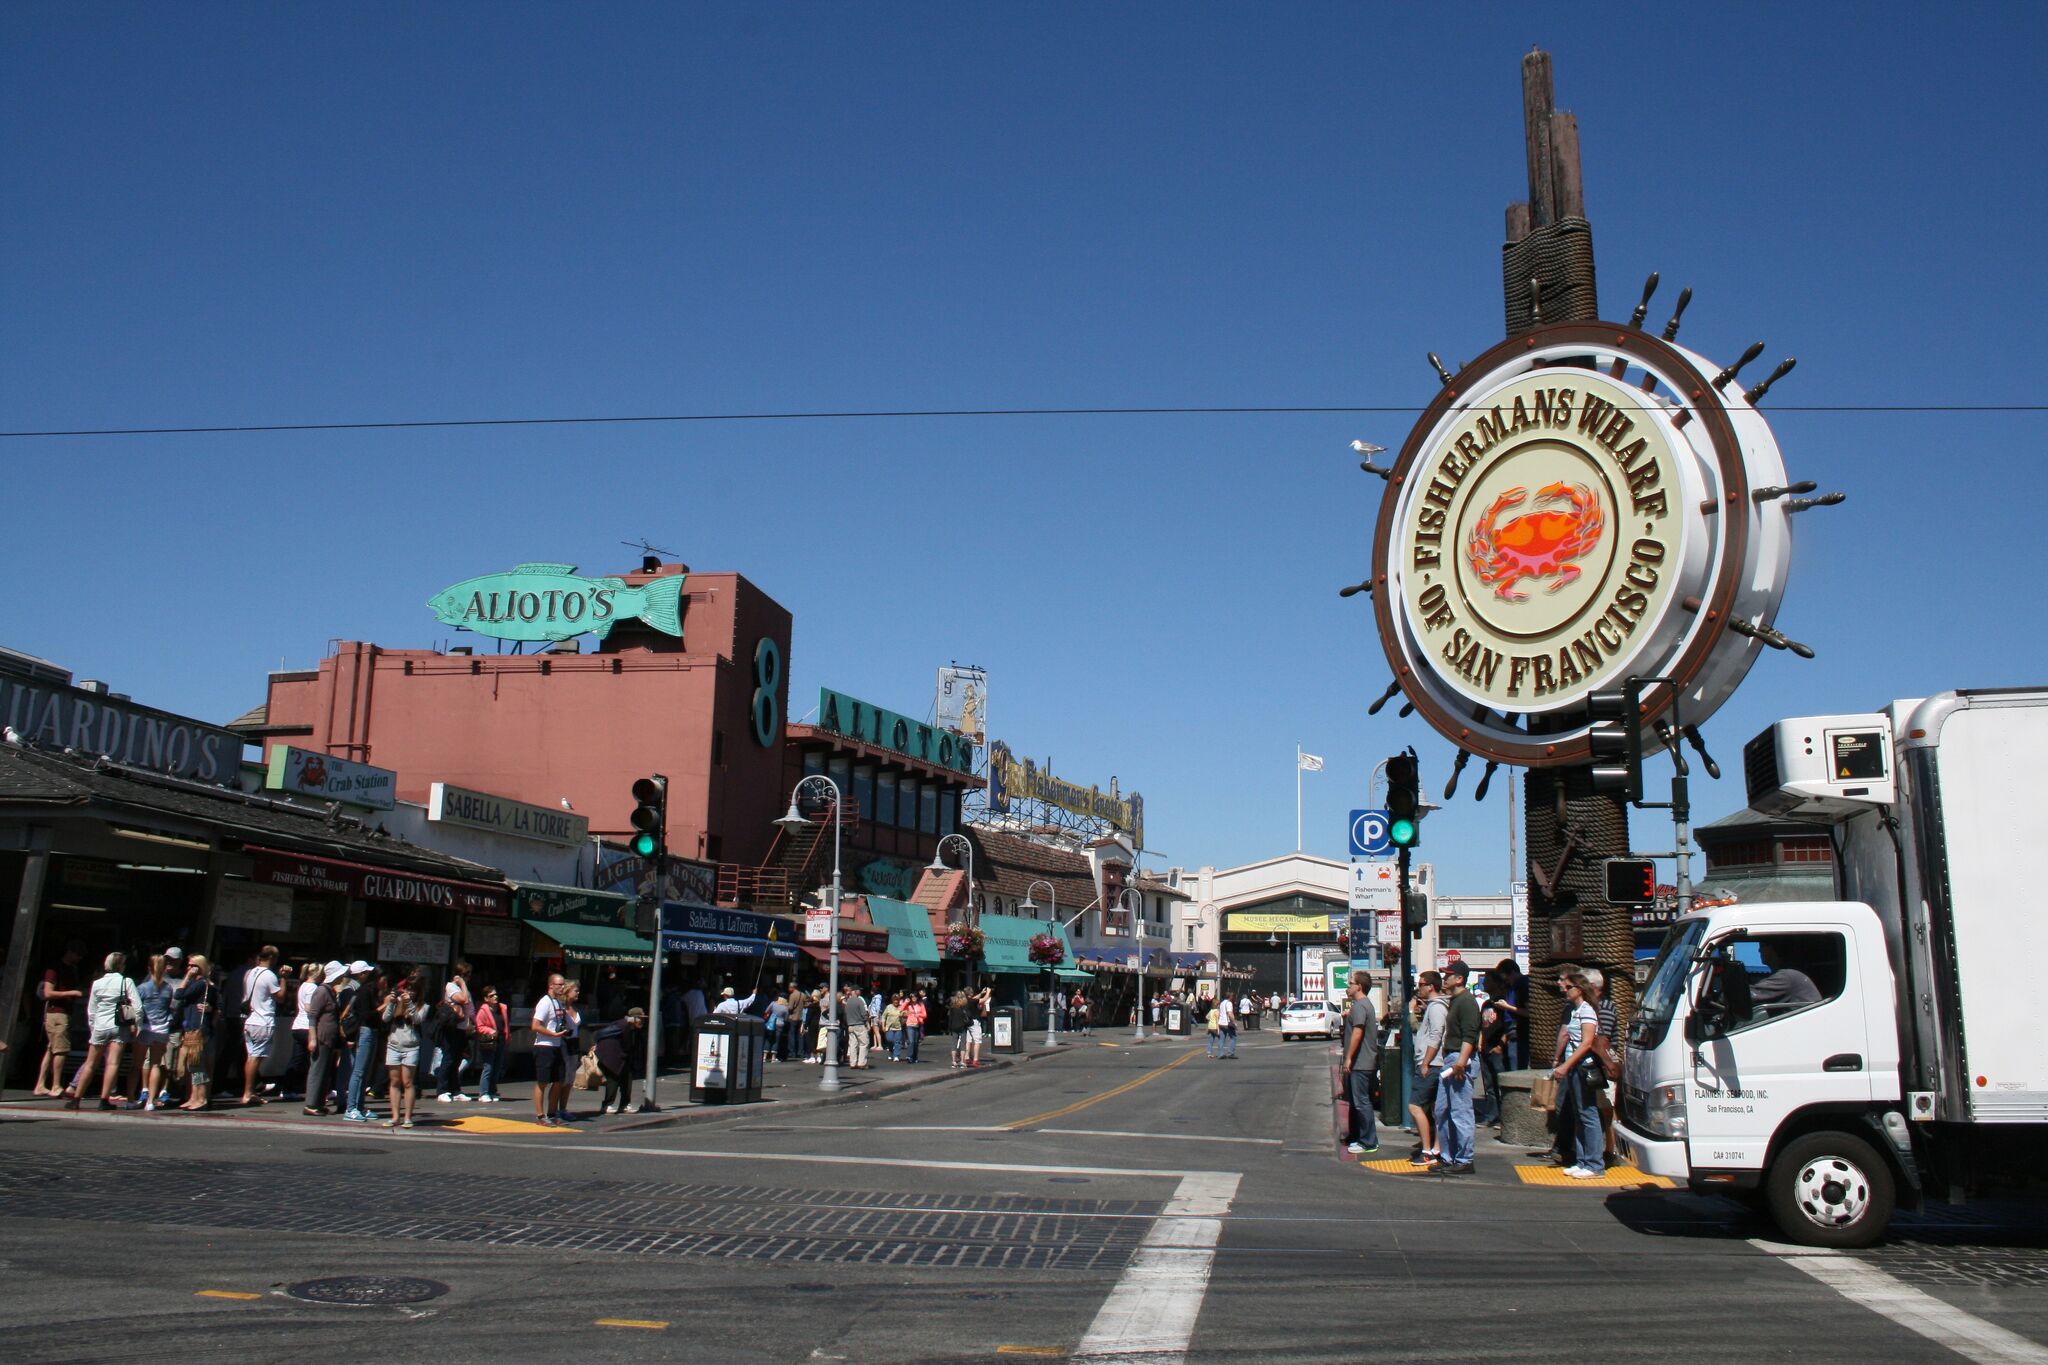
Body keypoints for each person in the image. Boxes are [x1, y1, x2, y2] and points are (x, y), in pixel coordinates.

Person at [62, 952, 141, 1111]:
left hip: (100, 1026)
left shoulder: (97, 983)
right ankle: (104, 1099)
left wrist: (93, 1028)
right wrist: (137, 1025)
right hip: (118, 1025)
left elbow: (91, 1010)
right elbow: (137, 1006)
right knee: (112, 1063)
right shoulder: (126, 981)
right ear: (121, 965)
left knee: (91, 1063)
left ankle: (77, 1098)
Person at [1552, 973, 1605, 1178]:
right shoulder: (1575, 1011)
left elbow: (1587, 1043)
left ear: (1579, 989)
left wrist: (1566, 1065)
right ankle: (1583, 1160)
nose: (1565, 990)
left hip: (1582, 1066)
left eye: (1569, 987)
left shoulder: (1587, 1011)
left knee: (1588, 1113)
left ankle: (1594, 1164)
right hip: (1574, 1067)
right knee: (1579, 1114)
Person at [1432, 961, 1483, 1175]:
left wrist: (1461, 1061)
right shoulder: (1455, 1001)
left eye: (1448, 975)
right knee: (1441, 1110)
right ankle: (1448, 1156)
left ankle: (1464, 1159)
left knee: (1460, 1111)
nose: (1444, 979)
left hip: (1460, 1059)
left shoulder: (1467, 1002)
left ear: (1459, 979)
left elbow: (1470, 1034)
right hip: (1451, 1059)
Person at [32, 941, 85, 1097]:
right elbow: (48, 993)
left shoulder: (71, 969)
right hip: (57, 1013)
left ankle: (40, 1084)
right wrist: (71, 993)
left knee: (51, 1049)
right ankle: (55, 1085)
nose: (79, 958)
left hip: (62, 1012)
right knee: (60, 1050)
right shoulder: (54, 969)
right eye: (78, 954)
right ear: (70, 952)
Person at [1407, 971, 1447, 1167]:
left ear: (1431, 986)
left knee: (1415, 1106)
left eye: (1422, 984)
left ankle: (1427, 1150)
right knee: (1435, 1109)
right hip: (1433, 1063)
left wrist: (1425, 1062)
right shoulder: (1433, 1007)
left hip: (1431, 1064)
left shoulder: (1436, 1008)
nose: (1419, 988)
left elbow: (1436, 1034)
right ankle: (1437, 1148)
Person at [236, 945, 284, 1106]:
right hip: (263, 1021)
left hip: (250, 1020)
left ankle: (251, 1091)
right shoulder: (270, 975)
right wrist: (283, 978)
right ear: (271, 958)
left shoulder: (249, 973)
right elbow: (280, 997)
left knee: (251, 1057)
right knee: (255, 1058)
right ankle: (248, 1092)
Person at [381, 969, 427, 1129]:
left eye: (413, 989)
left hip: (411, 1046)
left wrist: (410, 1005)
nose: (409, 992)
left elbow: (418, 1020)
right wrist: (392, 1003)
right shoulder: (397, 1002)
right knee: (394, 1081)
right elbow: (385, 1018)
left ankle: (408, 1117)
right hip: (393, 1044)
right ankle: (395, 1116)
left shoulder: (423, 1006)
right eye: (407, 988)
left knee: (408, 1082)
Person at [173, 955, 220, 1111]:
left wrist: (187, 977)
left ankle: (201, 1098)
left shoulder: (201, 984)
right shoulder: (202, 985)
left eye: (193, 965)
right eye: (188, 965)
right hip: (192, 1028)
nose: (189, 968)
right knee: (192, 1065)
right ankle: (194, 1097)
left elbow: (178, 994)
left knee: (197, 1065)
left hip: (198, 1030)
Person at [1342, 976, 1382, 1155]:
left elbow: (1357, 1033)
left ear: (1359, 986)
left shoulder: (1359, 1006)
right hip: (1363, 1061)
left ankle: (1368, 1141)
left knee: (1361, 1102)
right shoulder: (1364, 1006)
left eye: (1350, 983)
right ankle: (1357, 1136)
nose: (1347, 986)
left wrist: (1349, 1058)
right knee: (1356, 1101)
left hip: (1361, 1062)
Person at [302, 962, 343, 1115]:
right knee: (317, 1070)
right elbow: (312, 1016)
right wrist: (312, 1038)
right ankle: (311, 1104)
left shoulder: (331, 991)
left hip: (329, 1038)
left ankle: (319, 1102)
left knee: (325, 1071)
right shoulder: (321, 991)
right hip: (321, 1037)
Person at [530, 973, 569, 1125]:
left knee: (559, 1080)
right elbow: (535, 1025)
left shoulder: (558, 1002)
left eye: (563, 984)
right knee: (542, 1082)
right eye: (559, 985)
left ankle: (552, 1113)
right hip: (544, 1046)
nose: (562, 987)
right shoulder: (544, 1002)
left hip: (557, 1045)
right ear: (551, 985)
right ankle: (540, 1116)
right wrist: (552, 1033)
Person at [435, 961, 475, 1102]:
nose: (468, 978)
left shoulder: (464, 988)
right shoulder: (451, 987)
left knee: (457, 1059)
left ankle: (455, 1089)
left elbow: (470, 1008)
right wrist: (462, 984)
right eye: (466, 975)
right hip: (452, 1028)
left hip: (462, 1028)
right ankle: (442, 1090)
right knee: (449, 1058)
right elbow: (463, 1000)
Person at [594, 1007, 646, 1113]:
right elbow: (603, 1035)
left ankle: (625, 1104)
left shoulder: (630, 1027)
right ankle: (607, 1105)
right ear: (634, 1018)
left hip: (621, 1057)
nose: (643, 1021)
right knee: (613, 1080)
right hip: (612, 1058)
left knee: (626, 1080)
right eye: (641, 1018)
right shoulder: (623, 1025)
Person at [1751, 941, 1823, 1014]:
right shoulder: (1788, 974)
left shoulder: (1786, 976)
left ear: (1772, 948)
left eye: (1762, 946)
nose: (1759, 950)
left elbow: (1749, 995)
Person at [1477, 996, 1514, 1130]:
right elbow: (1482, 1026)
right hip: (1485, 1048)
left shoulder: (1503, 1004)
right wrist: (1480, 1041)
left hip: (1497, 1049)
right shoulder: (1486, 1004)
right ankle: (1491, 1116)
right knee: (1489, 1085)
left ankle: (1504, 1118)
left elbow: (1507, 1027)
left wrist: (1500, 1046)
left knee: (1500, 1084)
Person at [474, 984, 510, 1100]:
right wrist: (490, 1030)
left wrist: (507, 1036)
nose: (495, 997)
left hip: (500, 1040)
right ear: (486, 998)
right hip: (489, 1041)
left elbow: (505, 1024)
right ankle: (483, 1093)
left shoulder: (502, 1008)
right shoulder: (483, 1011)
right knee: (488, 1066)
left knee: (497, 1067)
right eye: (491, 995)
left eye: (496, 994)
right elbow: (479, 1026)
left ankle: (492, 1091)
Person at [841, 985, 871, 1068]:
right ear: (854, 991)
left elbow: (845, 1014)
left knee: (853, 1044)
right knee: (864, 1043)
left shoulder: (848, 1002)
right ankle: (861, 1063)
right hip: (859, 1025)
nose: (860, 992)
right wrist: (867, 1022)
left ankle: (852, 1063)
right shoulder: (859, 1001)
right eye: (859, 990)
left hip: (850, 1025)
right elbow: (864, 1014)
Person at [881, 994, 904, 1061]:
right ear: (892, 1000)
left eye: (897, 1000)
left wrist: (903, 1016)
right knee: (890, 1040)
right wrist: (883, 1026)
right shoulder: (888, 1007)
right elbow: (883, 1016)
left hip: (898, 1027)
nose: (896, 1001)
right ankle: (891, 1052)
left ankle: (896, 1055)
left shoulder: (901, 1007)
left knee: (898, 1042)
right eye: (895, 1000)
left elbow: (904, 1017)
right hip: (889, 1027)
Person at [1216, 992, 1238, 1059]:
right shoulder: (1229, 1003)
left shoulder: (1222, 1003)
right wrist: (1234, 1022)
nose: (1232, 997)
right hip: (1227, 1023)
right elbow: (1230, 1013)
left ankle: (1221, 1054)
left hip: (1221, 1023)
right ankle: (1231, 1053)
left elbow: (1219, 1012)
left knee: (1221, 1039)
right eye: (1232, 996)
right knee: (1233, 1037)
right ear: (1229, 997)